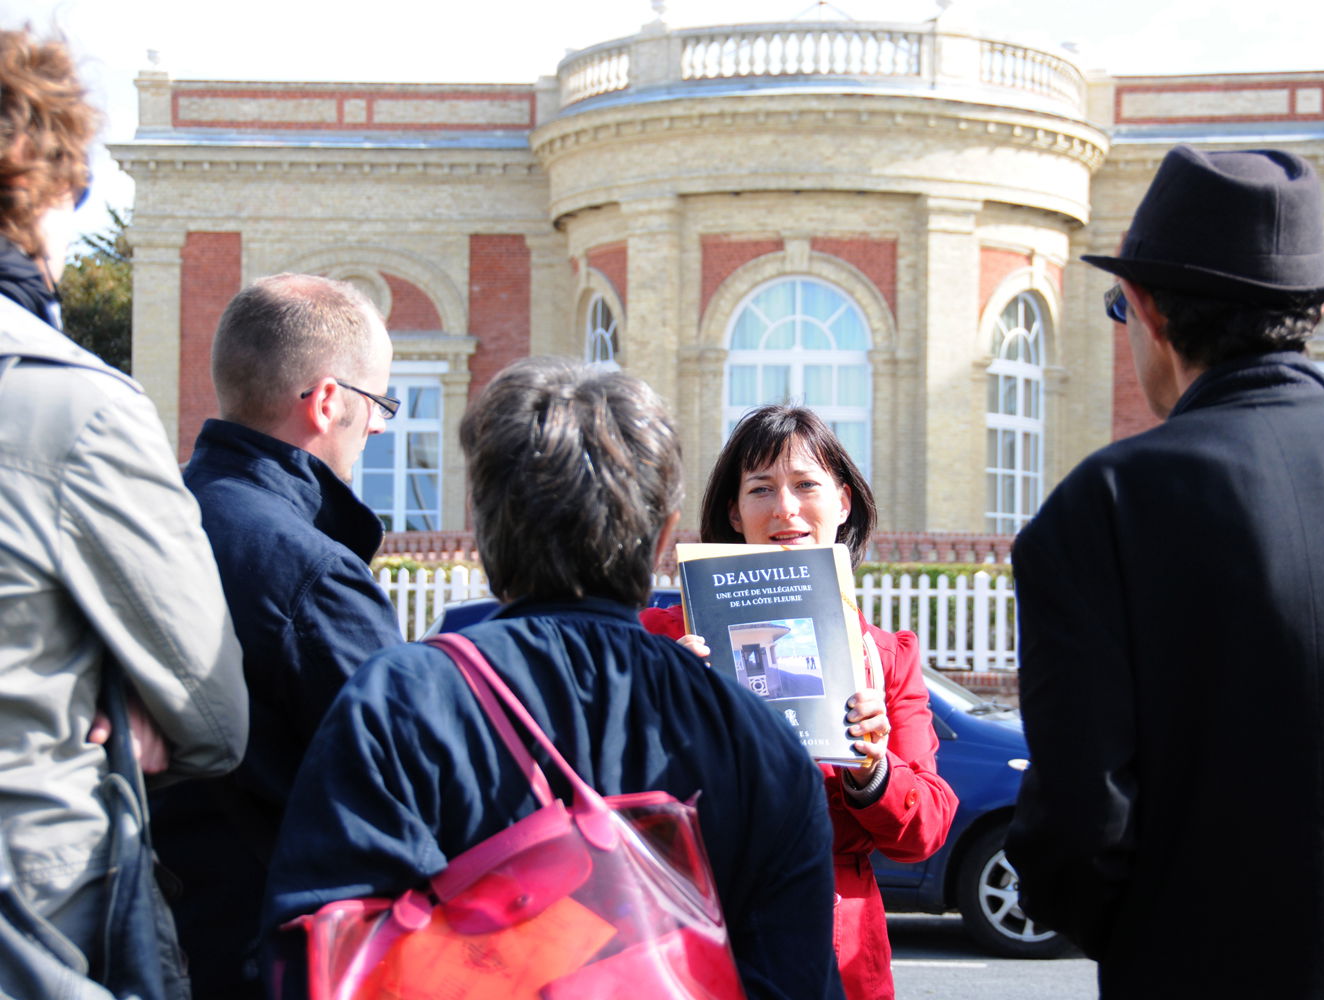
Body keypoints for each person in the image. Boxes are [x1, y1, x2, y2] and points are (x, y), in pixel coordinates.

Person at [265, 357, 845, 1000]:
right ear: (665, 537)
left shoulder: (399, 702)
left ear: (484, 531)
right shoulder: (759, 740)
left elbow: (320, 955)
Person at [1004, 144, 1324, 998]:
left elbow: (1075, 830)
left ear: (1146, 309)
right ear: (1310, 313)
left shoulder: (1104, 505)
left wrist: (1157, 933)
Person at [0, 25, 248, 999]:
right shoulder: (71, 403)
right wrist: (123, 696)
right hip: (39, 915)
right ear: (51, 189)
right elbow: (214, 711)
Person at [640, 405, 958, 1000]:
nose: (785, 509)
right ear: (734, 512)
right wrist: (662, 712)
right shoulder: (660, 639)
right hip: (692, 942)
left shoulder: (884, 657)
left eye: (806, 485)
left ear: (843, 502)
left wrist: (873, 770)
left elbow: (925, 830)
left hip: (834, 950)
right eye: (761, 489)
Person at [151, 274, 405, 999]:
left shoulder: (150, 521)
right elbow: (406, 786)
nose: (381, 427)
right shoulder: (315, 575)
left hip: (139, 937)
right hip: (278, 956)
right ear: (329, 402)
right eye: (379, 404)